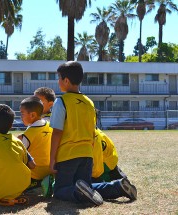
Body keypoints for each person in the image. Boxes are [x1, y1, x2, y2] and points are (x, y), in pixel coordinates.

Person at [49, 61, 137, 206]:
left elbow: (57, 133)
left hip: (67, 156)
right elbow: (92, 133)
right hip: (87, 155)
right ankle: (117, 186)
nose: (57, 81)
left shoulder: (61, 102)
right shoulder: (89, 103)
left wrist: (52, 160)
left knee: (59, 190)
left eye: (58, 78)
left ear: (66, 80)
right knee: (87, 187)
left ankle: (79, 194)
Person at [17, 96, 54, 196]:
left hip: (35, 172)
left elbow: (20, 156)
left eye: (22, 113)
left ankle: (36, 185)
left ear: (32, 115)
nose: (21, 117)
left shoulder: (29, 134)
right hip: (50, 169)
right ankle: (47, 181)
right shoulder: (50, 125)